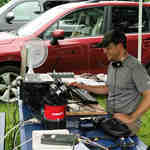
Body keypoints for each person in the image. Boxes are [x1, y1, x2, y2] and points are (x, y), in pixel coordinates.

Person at [69, 29, 150, 134]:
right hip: (110, 117)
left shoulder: (135, 67)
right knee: (81, 129)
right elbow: (107, 89)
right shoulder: (112, 64)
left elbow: (148, 95)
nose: (104, 51)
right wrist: (83, 86)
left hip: (126, 123)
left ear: (120, 46)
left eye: (108, 48)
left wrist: (131, 118)